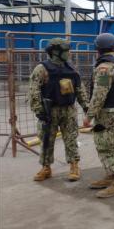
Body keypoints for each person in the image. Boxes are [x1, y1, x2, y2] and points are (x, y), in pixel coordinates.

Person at [28, 38, 89, 182]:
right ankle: (46, 167)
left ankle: (74, 166)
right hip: (50, 111)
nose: (69, 53)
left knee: (71, 139)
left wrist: (86, 106)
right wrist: (38, 110)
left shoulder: (71, 68)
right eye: (66, 51)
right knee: (46, 140)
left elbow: (80, 89)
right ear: (55, 52)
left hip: (68, 110)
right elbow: (33, 90)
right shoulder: (42, 69)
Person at [83, 33, 114, 198]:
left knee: (107, 146)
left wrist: (89, 116)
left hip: (109, 113)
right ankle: (111, 176)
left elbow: (99, 95)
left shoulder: (104, 68)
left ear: (98, 49)